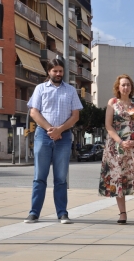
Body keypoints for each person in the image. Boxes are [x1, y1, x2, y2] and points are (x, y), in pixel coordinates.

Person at [24, 59, 83, 224]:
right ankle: (34, 213)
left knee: (61, 178)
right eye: (55, 71)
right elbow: (34, 112)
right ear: (48, 72)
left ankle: (62, 213)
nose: (58, 74)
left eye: (60, 71)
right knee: (39, 177)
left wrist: (60, 130)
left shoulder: (71, 90)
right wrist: (51, 129)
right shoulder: (40, 89)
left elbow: (75, 116)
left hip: (63, 138)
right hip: (43, 135)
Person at [98, 74, 134, 227]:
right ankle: (122, 213)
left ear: (131, 87)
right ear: (118, 87)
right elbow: (108, 125)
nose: (125, 87)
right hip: (116, 147)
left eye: (128, 85)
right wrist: (121, 141)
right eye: (123, 85)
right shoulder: (112, 102)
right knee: (119, 178)